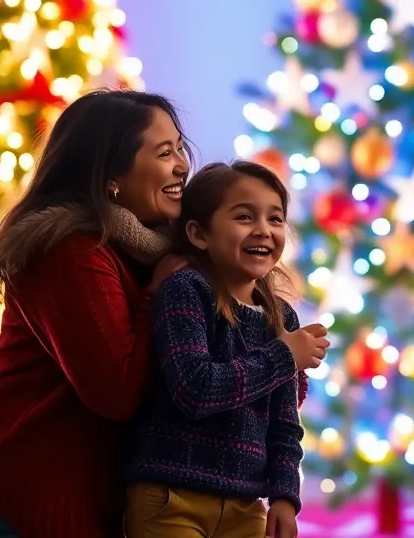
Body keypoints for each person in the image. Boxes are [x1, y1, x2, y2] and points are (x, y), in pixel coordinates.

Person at [0, 89, 192, 538]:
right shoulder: (69, 248)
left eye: (181, 148)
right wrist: (162, 291)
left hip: (79, 493)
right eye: (165, 152)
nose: (183, 165)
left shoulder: (148, 251)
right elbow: (117, 389)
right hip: (25, 490)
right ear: (111, 174)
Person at [124, 160, 329, 538]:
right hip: (171, 498)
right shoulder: (185, 291)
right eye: (244, 217)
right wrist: (285, 356)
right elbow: (195, 389)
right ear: (199, 234)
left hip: (244, 505)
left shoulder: (280, 318)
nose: (263, 231)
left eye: (275, 219)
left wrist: (285, 495)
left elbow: (284, 424)